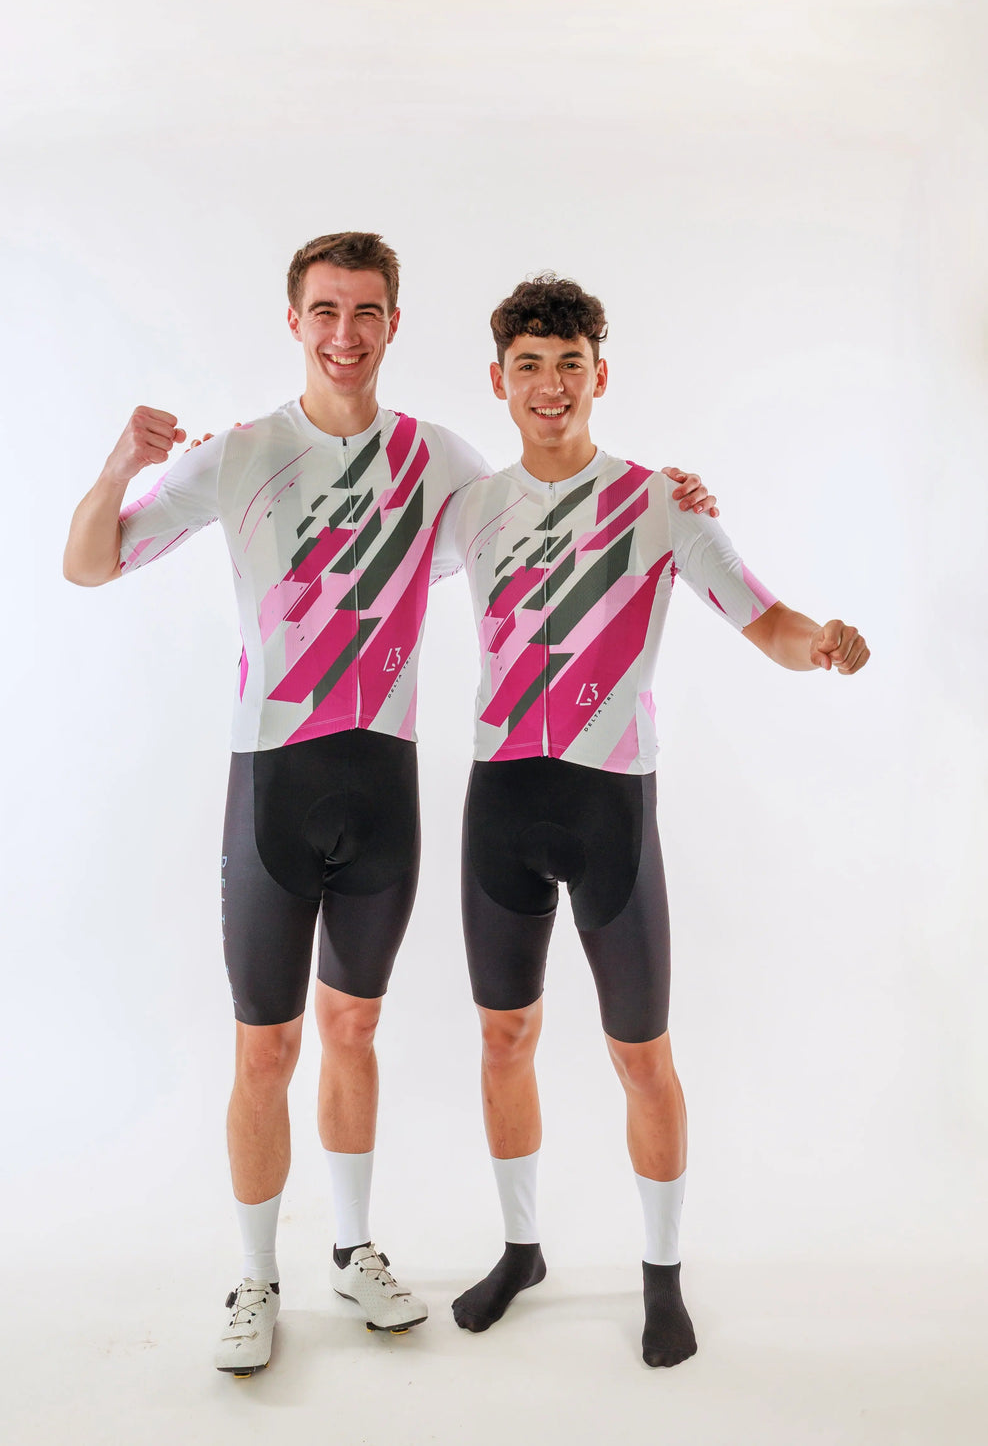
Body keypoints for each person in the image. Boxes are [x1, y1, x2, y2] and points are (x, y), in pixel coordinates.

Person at [63, 233, 717, 1375]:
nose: (344, 333)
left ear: (393, 324)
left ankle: (353, 1250)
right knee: (262, 1048)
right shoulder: (241, 452)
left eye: (365, 311)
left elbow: (545, 499)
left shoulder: (440, 459)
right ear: (294, 320)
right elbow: (88, 563)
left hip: (384, 784)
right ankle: (254, 1276)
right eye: (325, 310)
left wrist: (676, 503)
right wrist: (122, 463)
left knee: (354, 1029)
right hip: (271, 778)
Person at [442, 275, 869, 1367]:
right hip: (500, 801)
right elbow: (355, 552)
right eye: (528, 366)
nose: (549, 385)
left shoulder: (659, 501)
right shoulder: (470, 508)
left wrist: (819, 643)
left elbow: (763, 617)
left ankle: (663, 1275)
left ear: (600, 374)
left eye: (568, 364)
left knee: (641, 1054)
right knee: (503, 1038)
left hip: (610, 808)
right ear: (498, 380)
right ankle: (521, 1248)